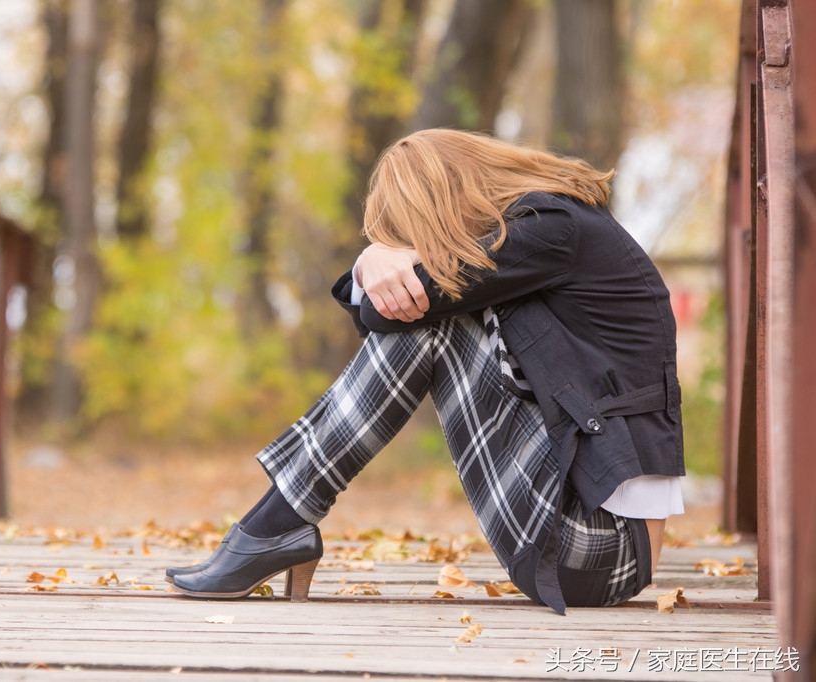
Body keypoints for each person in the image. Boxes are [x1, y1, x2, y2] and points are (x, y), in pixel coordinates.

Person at [166, 128, 685, 614]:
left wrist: (375, 260)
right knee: (425, 314)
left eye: (414, 231)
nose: (419, 243)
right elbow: (384, 310)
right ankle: (277, 525)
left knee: (428, 322)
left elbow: (387, 313)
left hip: (602, 549)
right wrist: (376, 263)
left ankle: (276, 525)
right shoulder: (555, 231)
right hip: (575, 539)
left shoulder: (553, 230)